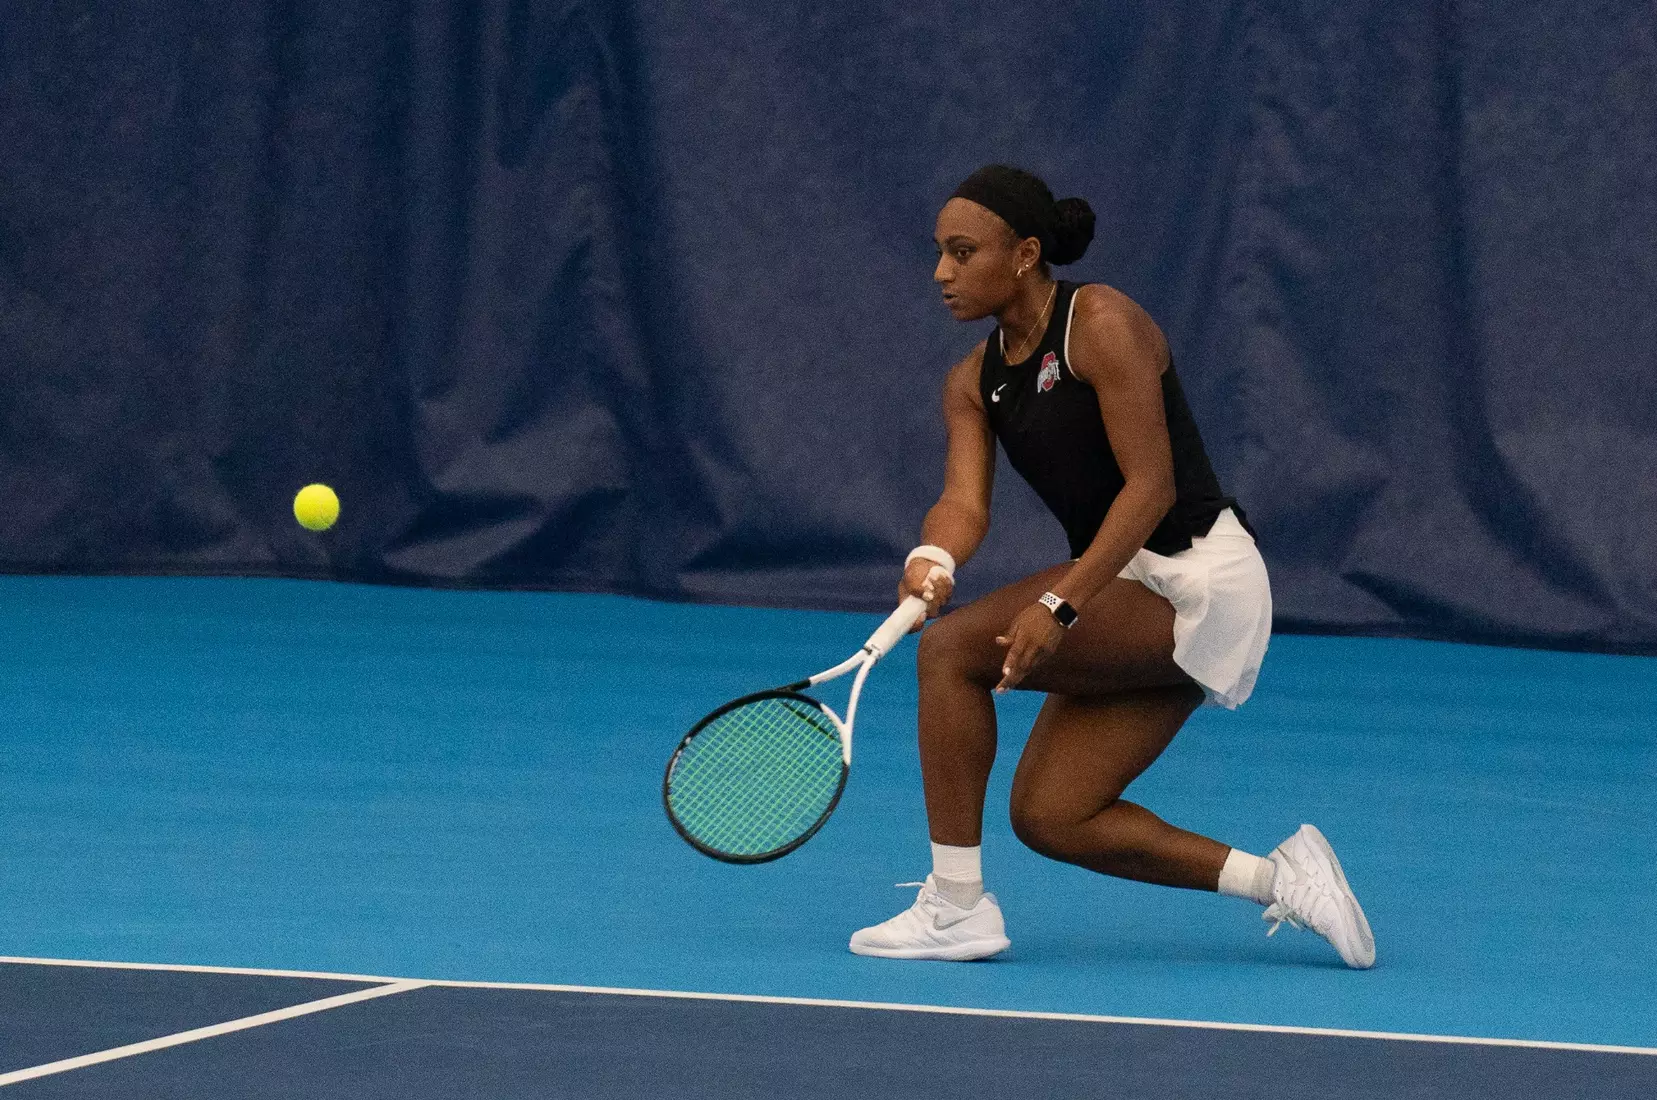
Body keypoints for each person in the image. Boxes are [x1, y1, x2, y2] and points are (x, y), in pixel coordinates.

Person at [848, 165, 1374, 968]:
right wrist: (933, 557)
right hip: (1123, 582)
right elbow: (963, 503)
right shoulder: (971, 383)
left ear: (1025, 254)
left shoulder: (1100, 322)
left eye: (962, 252)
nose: (940, 273)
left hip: (1199, 578)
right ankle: (1285, 880)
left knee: (949, 652)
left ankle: (954, 907)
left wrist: (1059, 604)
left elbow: (1150, 485)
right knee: (1053, 817)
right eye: (939, 253)